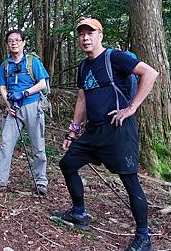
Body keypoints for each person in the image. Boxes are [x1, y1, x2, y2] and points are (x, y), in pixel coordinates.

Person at [51, 18, 158, 251]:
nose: (85, 38)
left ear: (100, 35)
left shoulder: (115, 57)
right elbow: (82, 99)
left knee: (130, 180)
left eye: (90, 33)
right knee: (67, 164)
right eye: (81, 34)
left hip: (119, 130)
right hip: (93, 131)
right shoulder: (83, 66)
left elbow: (150, 73)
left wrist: (131, 108)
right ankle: (79, 212)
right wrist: (72, 131)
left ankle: (143, 236)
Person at [0, 29, 49, 195]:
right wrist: (8, 103)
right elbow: (2, 87)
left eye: (17, 40)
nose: (14, 43)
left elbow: (42, 83)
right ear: (7, 44)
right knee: (6, 144)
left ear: (23, 42)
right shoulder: (5, 65)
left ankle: (41, 182)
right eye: (10, 41)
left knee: (38, 146)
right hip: (13, 109)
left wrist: (25, 93)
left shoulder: (32, 62)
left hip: (32, 105)